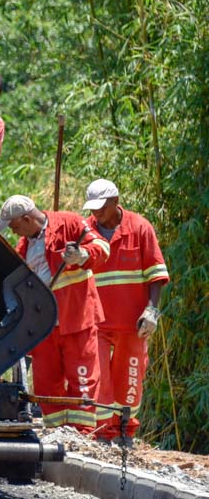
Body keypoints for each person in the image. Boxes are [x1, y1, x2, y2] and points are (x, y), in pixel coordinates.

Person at [0, 194, 110, 432]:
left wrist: (83, 255)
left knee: (82, 379)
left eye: (16, 226)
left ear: (27, 219)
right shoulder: (24, 246)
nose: (15, 233)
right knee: (47, 381)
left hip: (76, 318)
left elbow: (102, 246)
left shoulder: (69, 223)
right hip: (45, 324)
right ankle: (56, 432)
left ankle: (81, 434)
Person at [83, 179, 169, 444]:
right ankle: (102, 434)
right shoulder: (85, 230)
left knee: (130, 381)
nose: (96, 213)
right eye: (93, 208)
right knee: (98, 381)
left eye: (101, 207)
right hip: (96, 323)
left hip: (133, 324)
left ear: (115, 202)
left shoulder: (140, 228)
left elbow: (156, 275)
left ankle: (124, 431)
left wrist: (151, 311)